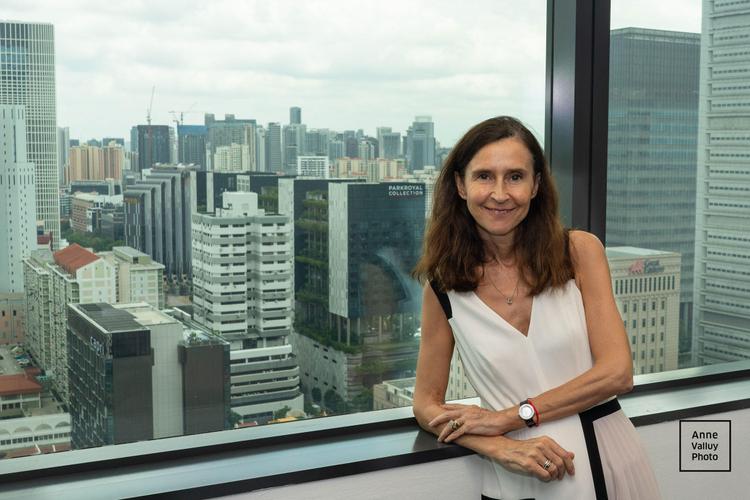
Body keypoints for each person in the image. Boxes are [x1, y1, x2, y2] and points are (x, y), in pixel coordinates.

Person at [411, 116, 661, 500]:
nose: (499, 194)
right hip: (514, 477)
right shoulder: (443, 287)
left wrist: (510, 418)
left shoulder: (579, 252)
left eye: (515, 176)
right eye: (484, 176)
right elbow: (426, 405)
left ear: (536, 185)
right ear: (460, 185)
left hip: (605, 461)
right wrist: (498, 446)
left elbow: (617, 373)